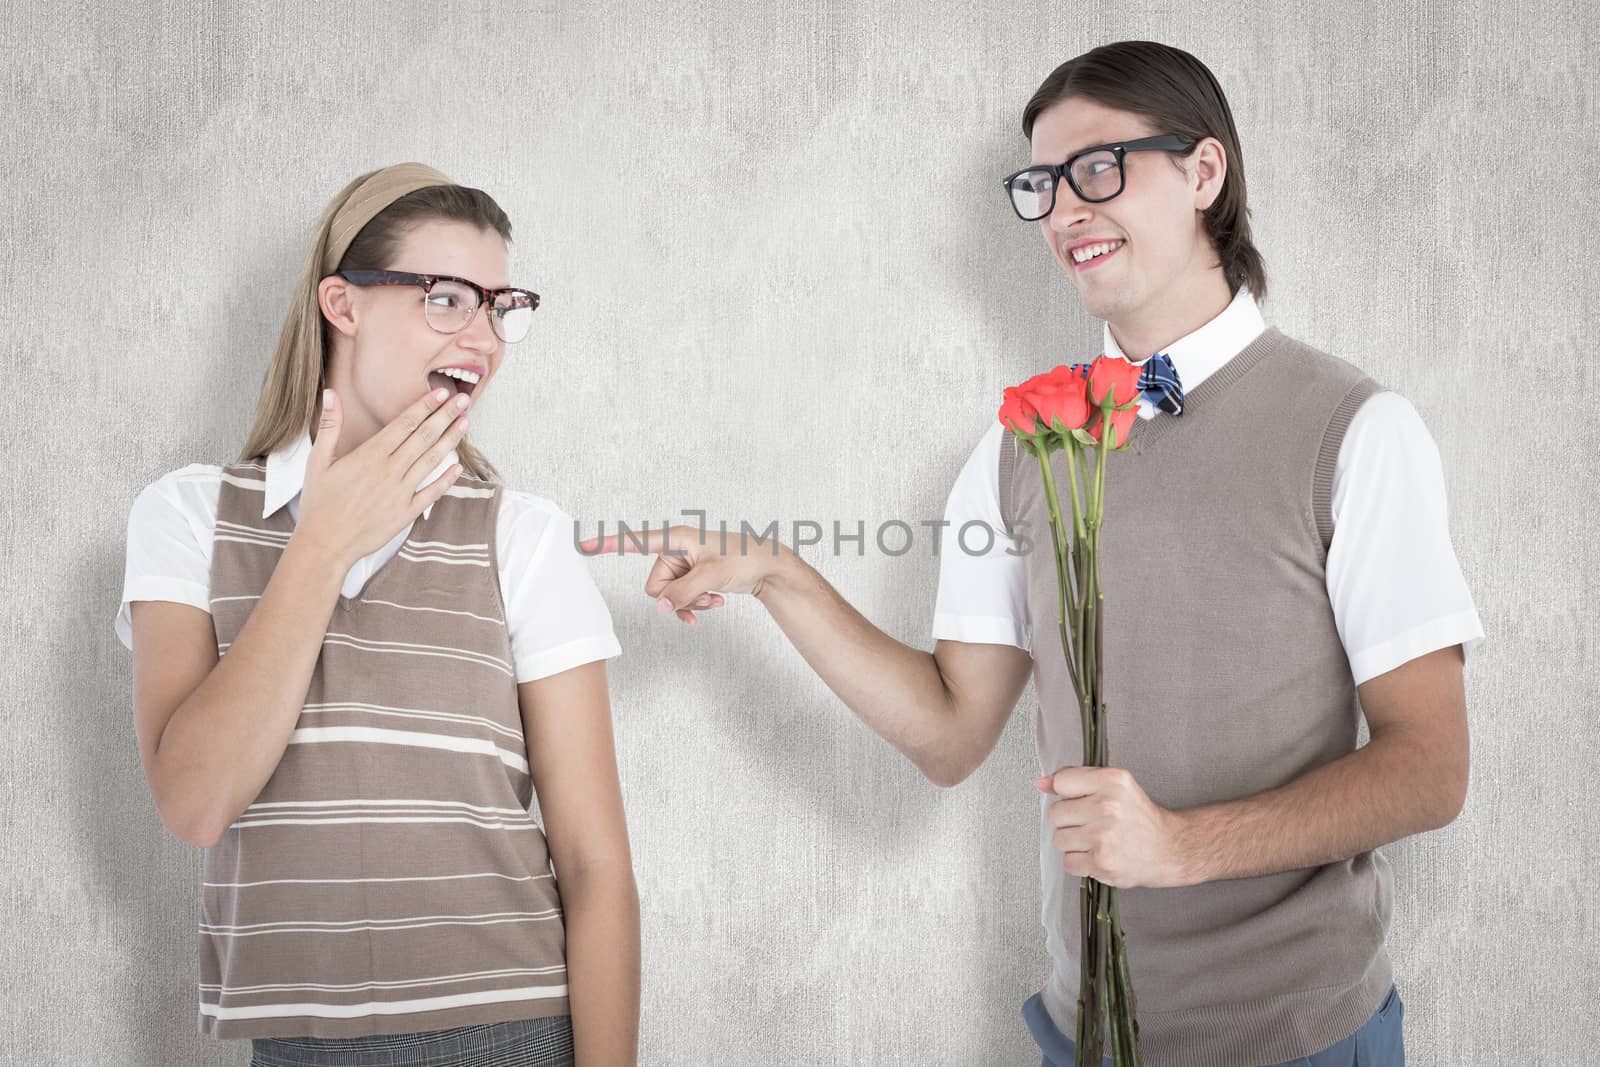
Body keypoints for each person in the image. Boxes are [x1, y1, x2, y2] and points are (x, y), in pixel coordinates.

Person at [586, 42, 1482, 1067]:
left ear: (1203, 173)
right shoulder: (1018, 444)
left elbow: (1430, 766)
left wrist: (1184, 846)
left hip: (1299, 1039)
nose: (1063, 211)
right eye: (1043, 184)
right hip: (1081, 1033)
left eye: (1097, 169)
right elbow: (948, 733)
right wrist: (778, 573)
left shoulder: (1355, 428)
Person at [116, 163, 640, 1067]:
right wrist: (319, 547)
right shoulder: (187, 517)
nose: (485, 336)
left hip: (510, 1035)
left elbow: (596, 871)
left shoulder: (519, 534)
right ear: (342, 304)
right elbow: (196, 803)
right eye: (446, 298)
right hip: (296, 1047)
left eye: (499, 306)